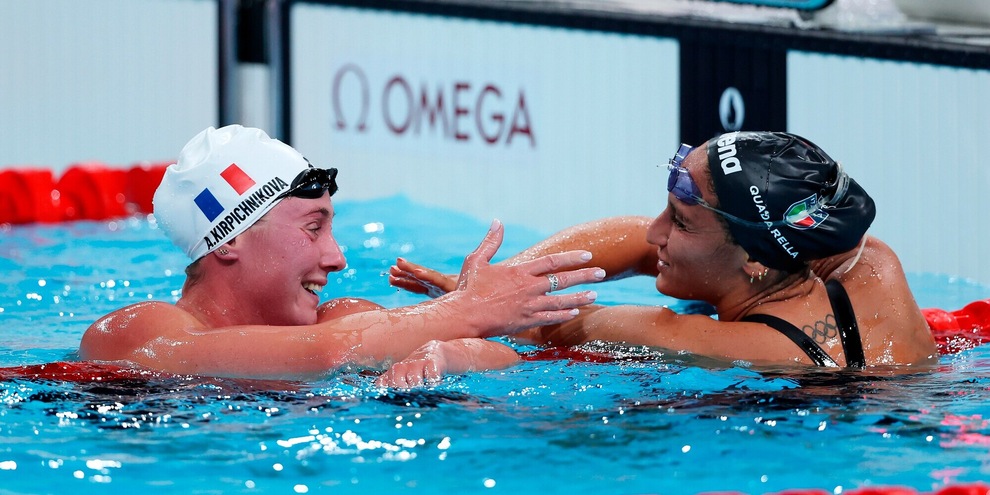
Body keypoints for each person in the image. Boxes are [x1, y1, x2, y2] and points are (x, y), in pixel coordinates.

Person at [79, 125, 605, 385]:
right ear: (231, 239)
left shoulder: (344, 317)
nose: (337, 259)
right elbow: (329, 354)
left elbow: (507, 360)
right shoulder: (135, 332)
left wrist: (451, 352)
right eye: (313, 229)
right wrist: (464, 311)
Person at [391, 131, 939, 368]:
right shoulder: (870, 263)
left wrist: (469, 303)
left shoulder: (702, 339)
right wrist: (511, 273)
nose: (652, 234)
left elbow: (540, 325)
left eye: (678, 221)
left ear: (754, 260)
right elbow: (634, 237)